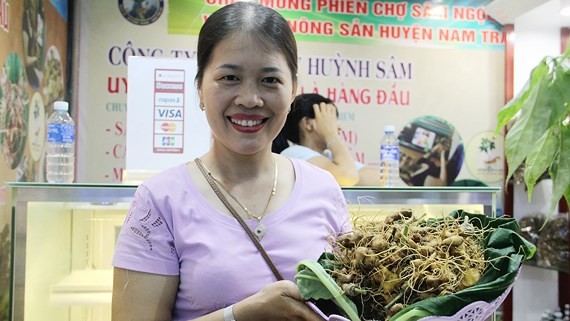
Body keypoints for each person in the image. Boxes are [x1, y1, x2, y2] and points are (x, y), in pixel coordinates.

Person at [112, 3, 351, 321]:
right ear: (200, 88)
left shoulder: (324, 188)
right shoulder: (158, 202)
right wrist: (237, 315)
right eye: (229, 77)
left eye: (269, 80)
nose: (250, 99)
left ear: (293, 89)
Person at [273, 93, 381, 186]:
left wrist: (346, 175)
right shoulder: (293, 154)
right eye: (331, 120)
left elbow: (380, 179)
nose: (338, 127)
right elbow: (348, 176)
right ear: (308, 123)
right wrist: (331, 134)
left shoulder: (329, 156)